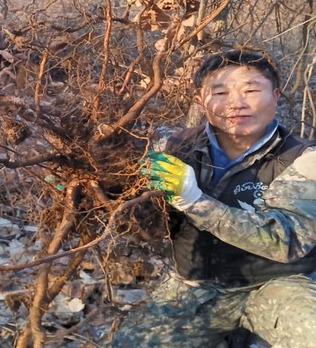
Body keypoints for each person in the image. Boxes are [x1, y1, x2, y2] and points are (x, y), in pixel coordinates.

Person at [112, 49, 316, 348]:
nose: (236, 103)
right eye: (219, 92)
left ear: (275, 95)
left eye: (251, 90)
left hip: (275, 284)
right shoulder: (174, 147)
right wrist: (103, 190)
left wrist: (195, 201)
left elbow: (286, 240)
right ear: (200, 101)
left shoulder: (304, 158)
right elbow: (149, 226)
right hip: (196, 284)